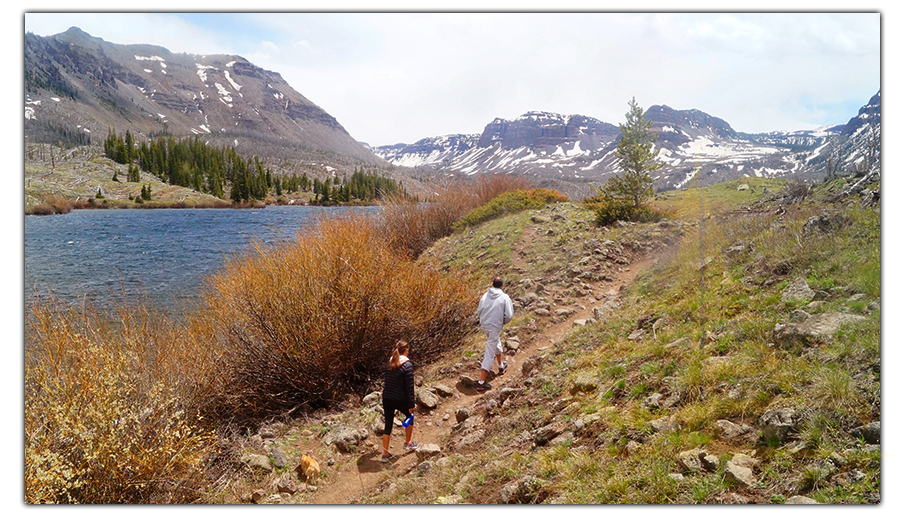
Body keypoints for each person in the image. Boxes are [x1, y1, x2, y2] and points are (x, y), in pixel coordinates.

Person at [474, 276, 514, 391]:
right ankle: (481, 382)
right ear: (502, 286)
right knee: (490, 351)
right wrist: (501, 322)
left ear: (493, 285)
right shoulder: (505, 297)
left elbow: (479, 310)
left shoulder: (485, 295)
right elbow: (509, 316)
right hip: (495, 326)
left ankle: (501, 366)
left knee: (494, 341)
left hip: (484, 325)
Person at [381, 340, 417, 462]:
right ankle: (407, 442)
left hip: (387, 398)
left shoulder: (389, 363)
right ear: (406, 351)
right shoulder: (407, 365)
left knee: (388, 425)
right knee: (410, 416)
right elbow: (409, 387)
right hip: (400, 398)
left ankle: (385, 454)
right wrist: (411, 404)